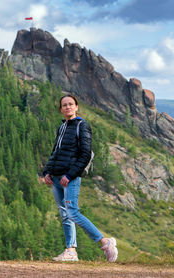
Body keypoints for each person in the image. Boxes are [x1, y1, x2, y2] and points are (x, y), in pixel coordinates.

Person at [42, 94, 118, 262]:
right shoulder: (62, 127)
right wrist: (47, 171)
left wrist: (70, 175)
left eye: (71, 104)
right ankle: (71, 251)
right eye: (64, 105)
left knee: (73, 212)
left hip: (70, 178)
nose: (68, 107)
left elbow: (85, 155)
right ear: (61, 109)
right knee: (64, 214)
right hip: (56, 178)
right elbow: (56, 151)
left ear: (76, 107)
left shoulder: (82, 126)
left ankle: (105, 242)